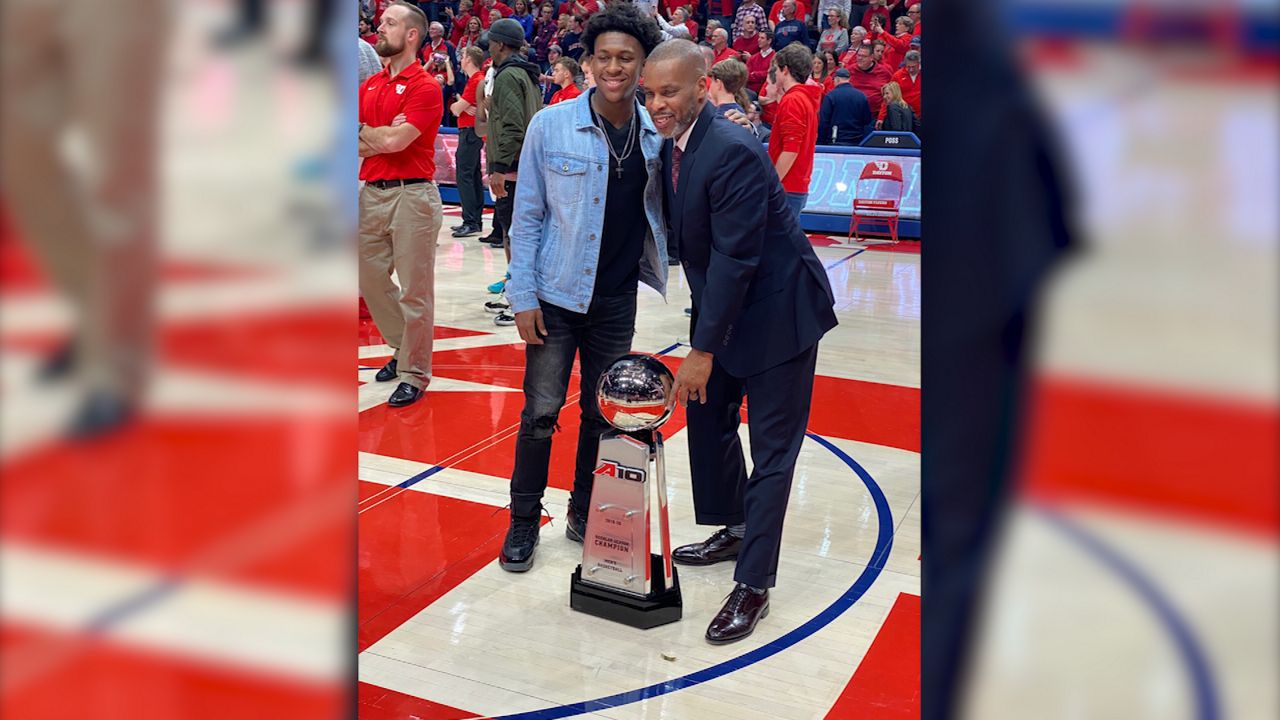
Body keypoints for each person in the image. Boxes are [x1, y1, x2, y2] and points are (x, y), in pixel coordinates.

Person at [642, 38, 838, 645]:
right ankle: (733, 526)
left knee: (773, 453)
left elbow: (736, 257)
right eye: (650, 94)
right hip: (726, 308)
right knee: (707, 417)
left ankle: (754, 585)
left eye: (669, 91)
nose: (657, 104)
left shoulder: (731, 148)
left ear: (703, 86)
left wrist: (701, 351)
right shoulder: (675, 147)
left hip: (780, 312)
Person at [499, 2, 669, 572]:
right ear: (589, 62)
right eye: (604, 57)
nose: (614, 67)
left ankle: (583, 510)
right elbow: (526, 217)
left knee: (603, 415)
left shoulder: (657, 135)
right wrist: (522, 295)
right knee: (540, 413)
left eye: (627, 57)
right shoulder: (550, 125)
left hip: (617, 298)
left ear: (643, 64)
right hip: (555, 297)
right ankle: (523, 521)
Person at [358, 2, 445, 409]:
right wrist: (376, 134)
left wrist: (369, 134)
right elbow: (357, 142)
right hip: (371, 191)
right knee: (369, 279)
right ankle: (401, 346)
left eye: (389, 23)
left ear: (411, 35)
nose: (379, 27)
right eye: (381, 21)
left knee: (415, 291)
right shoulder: (370, 85)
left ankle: (414, 371)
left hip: (413, 195)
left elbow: (396, 142)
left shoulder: (425, 86)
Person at [482, 18, 543, 327]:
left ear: (500, 44)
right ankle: (515, 291)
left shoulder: (507, 76)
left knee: (515, 239)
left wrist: (499, 167)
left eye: (491, 42)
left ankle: (520, 299)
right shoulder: (528, 73)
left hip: (513, 170)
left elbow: (513, 126)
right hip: (527, 166)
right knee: (521, 236)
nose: (488, 48)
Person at [767, 42, 822, 216]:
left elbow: (791, 149)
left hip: (786, 186)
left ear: (785, 70)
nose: (775, 73)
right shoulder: (805, 99)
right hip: (796, 183)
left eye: (776, 69)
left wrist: (771, 185)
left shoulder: (793, 100)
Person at [450, 47, 488, 237]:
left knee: (465, 175)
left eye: (463, 56)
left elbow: (455, 109)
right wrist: (463, 106)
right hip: (472, 132)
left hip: (470, 132)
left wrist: (460, 106)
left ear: (469, 60)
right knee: (473, 175)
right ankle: (474, 220)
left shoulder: (475, 80)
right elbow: (460, 107)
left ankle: (470, 221)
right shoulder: (476, 79)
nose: (461, 59)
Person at [817, 67, 873, 144]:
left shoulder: (830, 96)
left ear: (837, 79)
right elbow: (867, 122)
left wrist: (820, 143)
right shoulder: (862, 96)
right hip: (857, 141)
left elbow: (824, 122)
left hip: (835, 141)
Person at [846, 42, 891, 118]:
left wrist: (881, 116)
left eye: (864, 56)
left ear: (871, 57)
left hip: (875, 115)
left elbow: (891, 95)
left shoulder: (884, 72)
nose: (860, 58)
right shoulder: (849, 71)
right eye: (859, 55)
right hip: (852, 114)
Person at [877, 48, 919, 128]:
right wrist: (881, 117)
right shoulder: (898, 76)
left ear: (919, 63)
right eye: (908, 66)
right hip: (904, 117)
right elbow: (888, 97)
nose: (911, 69)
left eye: (913, 67)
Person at [745, 28, 774, 94]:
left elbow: (771, 75)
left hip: (768, 92)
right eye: (759, 37)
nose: (759, 40)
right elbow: (747, 76)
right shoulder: (752, 58)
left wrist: (755, 74)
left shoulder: (775, 57)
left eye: (762, 38)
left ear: (769, 41)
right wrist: (763, 74)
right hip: (752, 91)